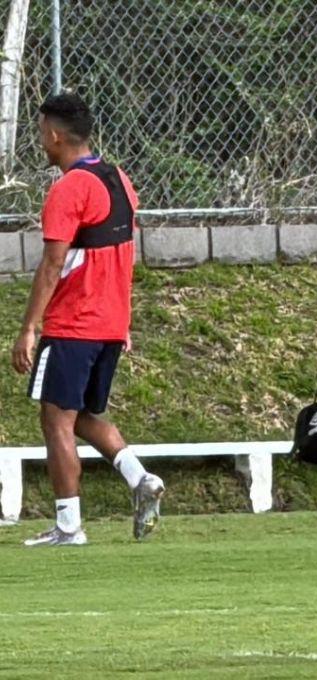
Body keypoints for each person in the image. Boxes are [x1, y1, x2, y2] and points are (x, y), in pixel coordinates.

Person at [9, 93, 164, 546]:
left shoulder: (68, 188)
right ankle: (140, 479)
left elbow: (53, 264)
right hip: (110, 323)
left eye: (41, 133)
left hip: (74, 322)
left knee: (55, 418)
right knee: (82, 416)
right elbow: (123, 254)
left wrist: (28, 327)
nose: (41, 141)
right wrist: (125, 319)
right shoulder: (120, 179)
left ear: (55, 135)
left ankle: (68, 526)